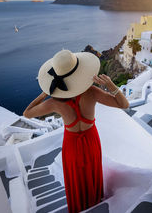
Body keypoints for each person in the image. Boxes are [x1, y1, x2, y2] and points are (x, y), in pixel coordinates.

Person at [23, 49, 129, 213]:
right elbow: (124, 104)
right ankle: (94, 202)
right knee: (92, 172)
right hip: (91, 139)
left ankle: (80, 207)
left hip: (71, 145)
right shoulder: (92, 92)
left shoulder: (55, 103)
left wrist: (45, 93)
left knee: (76, 179)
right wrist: (111, 86)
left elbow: (27, 113)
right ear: (79, 73)